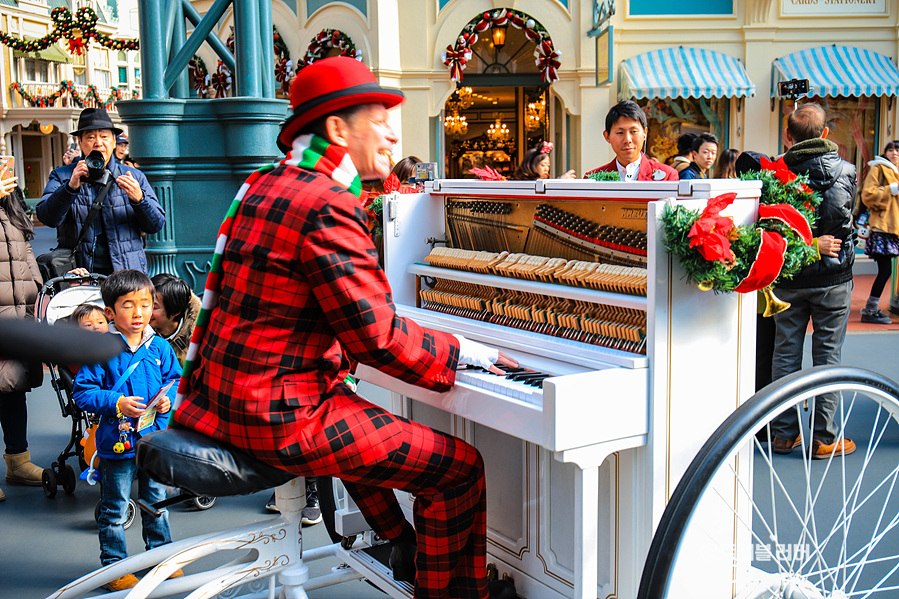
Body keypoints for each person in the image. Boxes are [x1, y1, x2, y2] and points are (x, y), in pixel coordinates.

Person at [174, 56, 517, 599]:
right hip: (280, 415)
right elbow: (377, 336)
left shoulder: (266, 183)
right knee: (461, 470)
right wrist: (466, 351)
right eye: (379, 117)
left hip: (223, 399)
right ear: (337, 127)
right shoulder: (327, 202)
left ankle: (403, 543)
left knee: (361, 417)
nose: (391, 132)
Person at [73, 269, 182, 591]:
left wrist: (168, 400)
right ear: (110, 312)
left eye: (146, 304)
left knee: (156, 502)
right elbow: (82, 392)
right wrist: (116, 402)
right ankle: (114, 566)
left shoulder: (160, 347)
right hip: (117, 443)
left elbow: (175, 379)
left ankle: (160, 557)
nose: (139, 313)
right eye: (128, 305)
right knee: (115, 508)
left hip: (155, 440)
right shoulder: (100, 350)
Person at [770, 102, 856, 459]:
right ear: (825, 134)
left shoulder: (776, 172)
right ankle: (825, 437)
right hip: (834, 276)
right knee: (828, 356)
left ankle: (783, 434)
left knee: (785, 354)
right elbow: (847, 216)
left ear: (788, 136)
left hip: (788, 276)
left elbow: (770, 223)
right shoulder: (847, 170)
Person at [36, 107, 165, 275]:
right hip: (80, 276)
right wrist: (70, 188)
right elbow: (47, 218)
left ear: (113, 142)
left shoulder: (133, 176)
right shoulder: (63, 175)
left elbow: (156, 224)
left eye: (104, 136)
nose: (98, 142)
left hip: (126, 275)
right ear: (80, 143)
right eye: (90, 137)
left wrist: (139, 199)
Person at [0, 175, 44, 501]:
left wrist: (36, 287)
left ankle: (18, 460)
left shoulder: (11, 203)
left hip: (17, 314)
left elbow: (25, 245)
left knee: (13, 387)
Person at [584, 100, 678, 182]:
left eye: (633, 131)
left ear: (645, 133)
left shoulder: (668, 176)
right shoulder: (592, 179)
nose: (627, 140)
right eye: (620, 133)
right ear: (607, 136)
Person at [857, 140, 899, 324]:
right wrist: (890, 189)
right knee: (885, 271)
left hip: (895, 229)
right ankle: (870, 310)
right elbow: (867, 194)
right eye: (891, 149)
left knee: (886, 271)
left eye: (897, 150)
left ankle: (871, 309)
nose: (894, 153)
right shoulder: (879, 168)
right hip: (883, 227)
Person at [149, 273, 201, 366]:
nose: (146, 310)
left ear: (175, 312)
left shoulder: (199, 338)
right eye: (145, 303)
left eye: (154, 307)